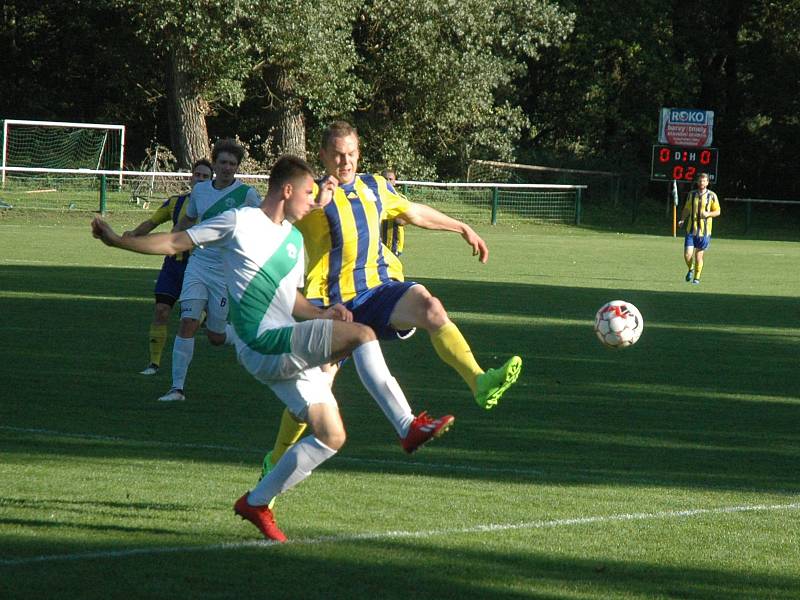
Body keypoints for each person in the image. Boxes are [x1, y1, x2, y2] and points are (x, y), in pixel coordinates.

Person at [91, 155, 455, 542]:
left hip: (274, 348)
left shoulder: (294, 240)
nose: (313, 203)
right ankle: (407, 426)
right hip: (261, 340)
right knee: (364, 335)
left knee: (331, 436)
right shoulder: (240, 221)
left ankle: (257, 502)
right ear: (286, 190)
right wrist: (117, 241)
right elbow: (176, 241)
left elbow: (292, 301)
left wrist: (323, 312)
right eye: (308, 194)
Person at [259, 122, 522, 480]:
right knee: (317, 391)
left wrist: (461, 226)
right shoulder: (310, 194)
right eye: (337, 154)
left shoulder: (374, 186)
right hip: (333, 303)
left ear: (359, 152)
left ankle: (480, 381)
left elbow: (413, 212)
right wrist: (316, 200)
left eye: (351, 153)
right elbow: (273, 217)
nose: (345, 160)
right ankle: (276, 459)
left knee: (431, 307)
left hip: (380, 289)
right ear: (322, 155)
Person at [158, 139, 262, 402]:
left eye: (232, 163)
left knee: (216, 336)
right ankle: (176, 388)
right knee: (188, 321)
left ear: (237, 167)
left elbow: (263, 225)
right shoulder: (201, 191)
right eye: (223, 162)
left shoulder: (247, 195)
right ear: (214, 164)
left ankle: (239, 337)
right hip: (199, 264)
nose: (227, 167)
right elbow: (189, 218)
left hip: (226, 270)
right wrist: (174, 239)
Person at [125, 158, 213, 376]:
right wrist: (133, 235)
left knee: (191, 319)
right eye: (198, 175)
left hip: (198, 266)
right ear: (191, 177)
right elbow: (153, 222)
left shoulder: (215, 205)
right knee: (161, 310)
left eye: (205, 176)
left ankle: (207, 316)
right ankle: (154, 363)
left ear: (211, 179)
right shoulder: (175, 202)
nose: (200, 179)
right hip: (173, 265)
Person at [677, 172, 721, 285]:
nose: (702, 183)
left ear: (707, 183)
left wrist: (708, 214)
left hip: (704, 232)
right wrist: (682, 219)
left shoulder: (712, 196)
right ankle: (690, 269)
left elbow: (718, 211)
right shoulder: (692, 195)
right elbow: (687, 208)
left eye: (704, 181)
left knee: (698, 256)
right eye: (700, 181)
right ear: (697, 182)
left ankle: (696, 278)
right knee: (687, 254)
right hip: (691, 230)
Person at [379, 168, 405, 257]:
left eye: (390, 179)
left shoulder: (400, 198)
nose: (388, 182)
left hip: (394, 244)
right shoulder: (374, 198)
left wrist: (393, 209)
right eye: (385, 179)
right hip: (376, 244)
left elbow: (402, 222)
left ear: (394, 182)